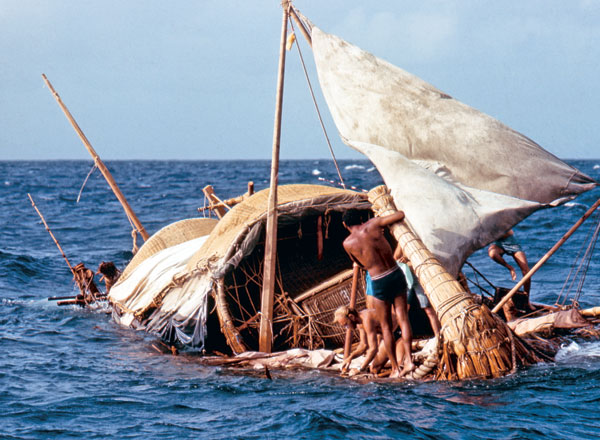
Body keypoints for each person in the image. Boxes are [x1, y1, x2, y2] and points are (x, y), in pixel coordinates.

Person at [342, 209, 414, 378]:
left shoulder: (348, 243)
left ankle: (396, 368)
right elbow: (401, 214)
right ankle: (409, 361)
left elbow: (358, 262)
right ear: (361, 218)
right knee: (403, 318)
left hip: (379, 280)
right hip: (395, 273)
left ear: (345, 225)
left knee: (386, 326)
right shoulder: (374, 223)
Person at [333, 306, 400, 375]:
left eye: (346, 324)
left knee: (390, 367)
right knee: (374, 368)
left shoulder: (366, 320)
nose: (347, 328)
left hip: (398, 332)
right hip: (389, 337)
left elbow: (373, 348)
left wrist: (360, 369)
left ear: (351, 317)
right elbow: (363, 345)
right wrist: (350, 358)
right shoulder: (360, 323)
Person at [393, 247, 441, 337]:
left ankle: (438, 335)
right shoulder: (403, 241)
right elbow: (395, 257)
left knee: (428, 308)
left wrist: (409, 259)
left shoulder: (420, 239)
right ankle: (396, 335)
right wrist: (403, 259)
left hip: (419, 275)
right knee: (402, 309)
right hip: (407, 276)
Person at [488, 229, 532, 308]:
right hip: (498, 244)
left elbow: (510, 232)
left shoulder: (501, 220)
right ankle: (510, 268)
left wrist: (495, 234)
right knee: (492, 254)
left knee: (526, 272)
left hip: (512, 243)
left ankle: (527, 301)